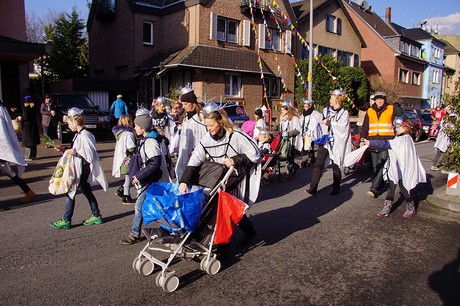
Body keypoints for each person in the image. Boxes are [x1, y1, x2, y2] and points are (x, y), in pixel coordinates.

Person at [178, 103, 261, 255]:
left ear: (220, 122)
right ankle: (248, 231)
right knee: (224, 210)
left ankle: (224, 249)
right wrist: (184, 181)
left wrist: (234, 160)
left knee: (225, 211)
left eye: (210, 125)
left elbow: (254, 155)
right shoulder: (207, 138)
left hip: (234, 179)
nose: (208, 129)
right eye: (206, 125)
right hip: (216, 178)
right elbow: (194, 161)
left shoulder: (236, 135)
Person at [50, 107, 108, 229]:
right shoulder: (79, 135)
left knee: (70, 192)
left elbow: (89, 153)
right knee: (86, 191)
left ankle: (66, 220)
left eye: (69, 122)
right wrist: (65, 149)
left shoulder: (85, 135)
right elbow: (78, 150)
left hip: (82, 169)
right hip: (80, 168)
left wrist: (73, 152)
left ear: (75, 121)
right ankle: (96, 215)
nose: (68, 125)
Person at [120, 113, 173, 244]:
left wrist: (139, 175)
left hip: (153, 181)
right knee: (159, 206)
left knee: (140, 206)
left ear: (143, 128)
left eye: (136, 126)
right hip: (157, 179)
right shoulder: (155, 138)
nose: (134, 128)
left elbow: (154, 162)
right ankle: (168, 228)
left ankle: (135, 233)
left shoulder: (150, 141)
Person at [362, 117, 426, 218]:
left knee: (404, 189)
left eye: (398, 127)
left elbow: (387, 144)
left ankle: (411, 207)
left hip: (402, 170)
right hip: (395, 168)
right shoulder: (400, 138)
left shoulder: (405, 139)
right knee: (391, 187)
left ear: (405, 127)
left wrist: (370, 142)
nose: (396, 129)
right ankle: (386, 208)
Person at [306, 89, 351, 196]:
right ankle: (313, 188)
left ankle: (336, 187)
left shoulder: (344, 113)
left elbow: (343, 128)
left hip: (336, 143)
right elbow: (320, 122)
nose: (330, 100)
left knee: (336, 166)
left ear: (337, 99)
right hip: (325, 141)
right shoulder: (326, 110)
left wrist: (330, 123)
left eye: (331, 98)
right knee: (318, 164)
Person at [360, 92, 396, 198]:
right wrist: (362, 139)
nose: (380, 101)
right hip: (373, 142)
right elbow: (365, 126)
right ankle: (381, 185)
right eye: (378, 99)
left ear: (385, 100)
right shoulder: (370, 111)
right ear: (374, 100)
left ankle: (374, 188)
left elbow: (398, 122)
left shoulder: (391, 109)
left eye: (382, 99)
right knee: (376, 167)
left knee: (382, 164)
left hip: (386, 141)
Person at [0, 100, 37, 204]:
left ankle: (28, 192)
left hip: (2, 147)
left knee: (8, 171)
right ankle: (28, 191)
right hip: (2, 147)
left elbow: (2, 133)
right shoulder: (2, 109)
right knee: (7, 171)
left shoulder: (0, 110)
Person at [174, 86, 207, 180]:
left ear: (192, 103)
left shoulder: (200, 118)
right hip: (185, 153)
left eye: (185, 104)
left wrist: (196, 150)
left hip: (196, 156)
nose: (183, 106)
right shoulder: (186, 117)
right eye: (182, 104)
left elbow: (202, 136)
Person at [112, 114, 137, 204]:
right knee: (129, 178)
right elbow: (131, 147)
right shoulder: (128, 134)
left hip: (122, 158)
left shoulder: (120, 133)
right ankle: (125, 194)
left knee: (128, 177)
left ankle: (122, 190)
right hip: (128, 158)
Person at [279, 101, 301, 175]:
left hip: (291, 141)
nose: (281, 111)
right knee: (285, 155)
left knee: (290, 156)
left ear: (287, 110)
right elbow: (281, 129)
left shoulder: (293, 118)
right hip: (283, 140)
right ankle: (293, 166)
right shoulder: (282, 118)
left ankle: (291, 169)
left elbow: (298, 130)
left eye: (283, 110)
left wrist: (288, 134)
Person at [299, 99, 322, 167]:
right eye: (304, 106)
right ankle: (309, 157)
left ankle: (311, 157)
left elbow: (319, 118)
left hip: (310, 132)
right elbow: (301, 121)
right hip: (304, 131)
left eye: (306, 106)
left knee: (310, 144)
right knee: (305, 145)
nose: (305, 107)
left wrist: (311, 129)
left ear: (309, 106)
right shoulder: (304, 113)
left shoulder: (314, 112)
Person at [431, 106, 455, 171]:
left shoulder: (445, 117)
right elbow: (452, 126)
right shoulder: (452, 116)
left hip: (442, 135)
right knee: (446, 151)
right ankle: (445, 168)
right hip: (447, 136)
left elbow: (441, 125)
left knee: (440, 150)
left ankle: (434, 165)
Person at [18, 96, 40, 161]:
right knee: (33, 142)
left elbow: (25, 117)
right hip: (33, 126)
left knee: (28, 142)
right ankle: (33, 155)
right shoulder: (33, 107)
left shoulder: (26, 108)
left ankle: (28, 156)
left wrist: (20, 118)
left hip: (27, 127)